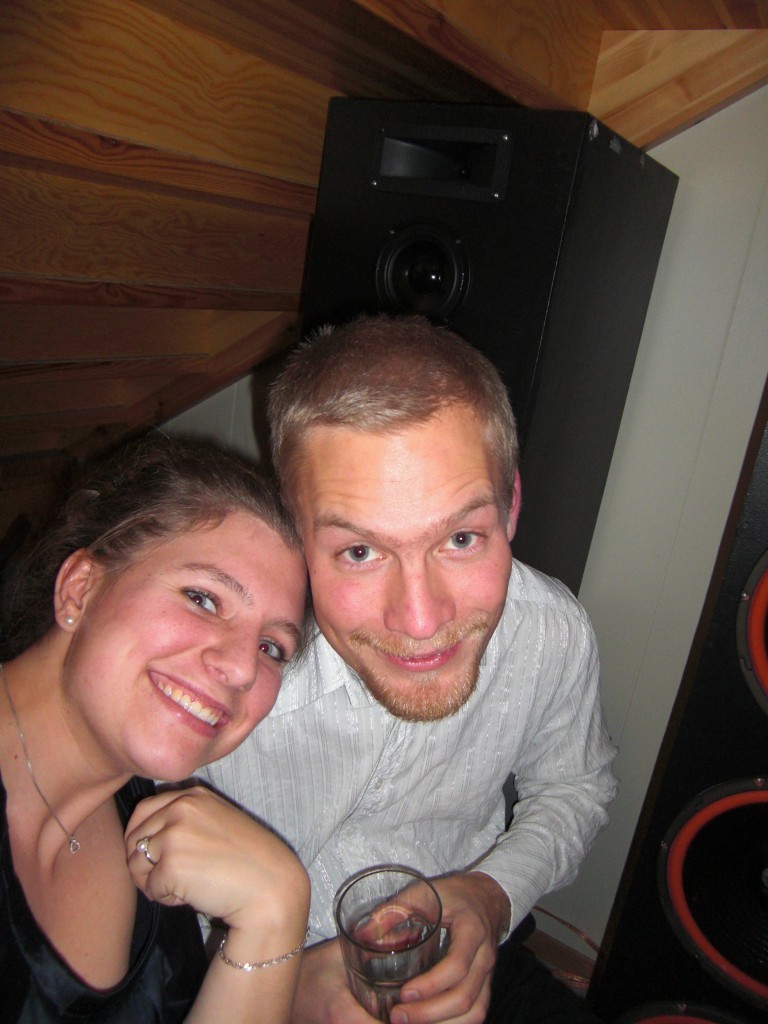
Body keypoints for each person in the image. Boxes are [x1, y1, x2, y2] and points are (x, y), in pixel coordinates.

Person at [200, 314, 618, 1024]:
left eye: (461, 538)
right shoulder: (214, 679)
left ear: (510, 508)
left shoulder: (551, 632)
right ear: (294, 532)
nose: (421, 621)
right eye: (360, 552)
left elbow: (576, 787)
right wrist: (278, 983)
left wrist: (491, 895)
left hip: (471, 947)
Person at [0, 434, 311, 1023]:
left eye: (272, 647)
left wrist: (275, 912)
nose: (242, 669)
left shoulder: (152, 838)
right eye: (203, 598)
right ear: (80, 588)